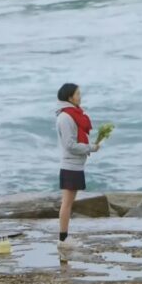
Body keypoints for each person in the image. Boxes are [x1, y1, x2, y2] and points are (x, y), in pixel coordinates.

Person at [55, 83, 100, 256]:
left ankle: (64, 238)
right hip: (70, 165)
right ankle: (63, 239)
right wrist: (90, 148)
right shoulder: (65, 117)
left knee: (68, 203)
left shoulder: (72, 115)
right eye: (77, 94)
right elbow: (69, 145)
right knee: (67, 204)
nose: (80, 96)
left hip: (75, 164)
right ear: (69, 98)